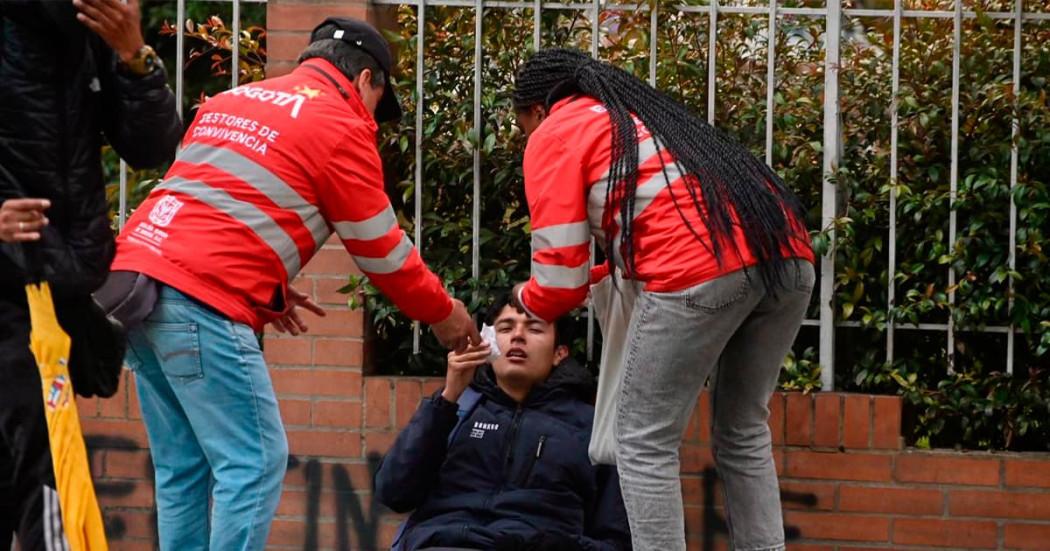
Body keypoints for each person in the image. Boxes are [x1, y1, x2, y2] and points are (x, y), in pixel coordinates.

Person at [108, 17, 481, 551]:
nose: (375, 116)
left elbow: (211, 201)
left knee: (181, 465)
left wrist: (266, 283)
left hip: (139, 287)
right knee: (255, 461)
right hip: (200, 300)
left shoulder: (234, 99)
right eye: (380, 100)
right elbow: (385, 254)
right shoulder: (340, 125)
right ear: (366, 80)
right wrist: (448, 317)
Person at [509, 48, 816, 551]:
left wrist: (527, 296)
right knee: (742, 430)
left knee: (643, 440)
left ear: (538, 110)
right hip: (789, 258)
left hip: (700, 266)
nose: (527, 136)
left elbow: (560, 281)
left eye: (524, 126)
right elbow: (664, 220)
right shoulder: (641, 121)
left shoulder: (556, 133)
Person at [0, 0, 182, 549]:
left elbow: (151, 148)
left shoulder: (88, 29)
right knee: (46, 476)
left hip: (51, 292)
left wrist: (133, 56)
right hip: (13, 289)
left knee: (42, 473)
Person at [374, 292, 631, 551]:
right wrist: (448, 399)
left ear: (559, 353)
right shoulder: (455, 409)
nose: (517, 336)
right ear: (488, 343)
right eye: (506, 328)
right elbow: (394, 492)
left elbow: (616, 538)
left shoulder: (591, 427)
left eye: (534, 328)